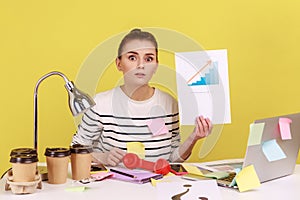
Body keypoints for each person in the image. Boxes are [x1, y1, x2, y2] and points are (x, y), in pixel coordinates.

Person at [71, 28, 212, 166]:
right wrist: (102, 157)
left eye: (148, 58)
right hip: (114, 187)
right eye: (132, 57)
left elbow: (172, 160)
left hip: (158, 186)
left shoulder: (170, 103)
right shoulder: (100, 104)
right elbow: (75, 149)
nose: (141, 65)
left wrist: (194, 137)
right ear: (119, 64)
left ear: (156, 65)